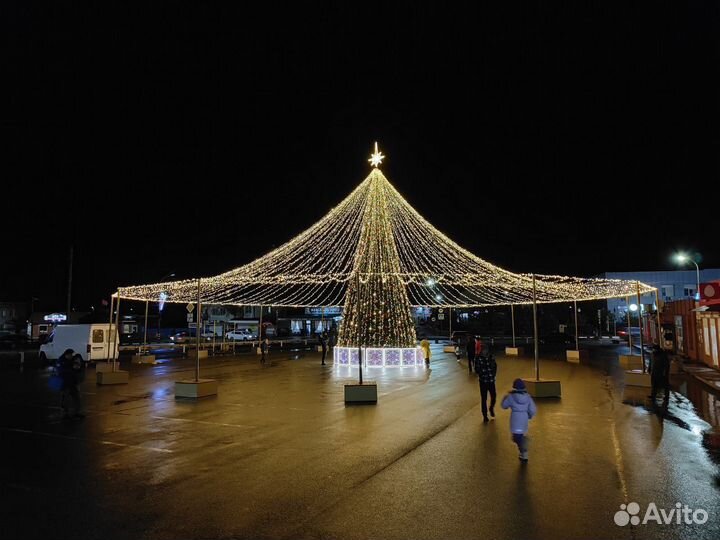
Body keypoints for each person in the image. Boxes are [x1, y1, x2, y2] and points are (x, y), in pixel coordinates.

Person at [501, 378, 537, 462]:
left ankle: (524, 451)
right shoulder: (528, 397)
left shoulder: (511, 397)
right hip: (524, 418)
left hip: (515, 418)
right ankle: (523, 450)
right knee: (518, 436)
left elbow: (504, 406)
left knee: (516, 437)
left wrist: (504, 398)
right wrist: (530, 415)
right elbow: (533, 409)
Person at [58, 348, 85, 419]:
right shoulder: (62, 361)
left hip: (73, 382)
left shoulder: (71, 360)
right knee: (66, 399)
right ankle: (65, 413)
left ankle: (77, 412)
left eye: (71, 355)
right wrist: (72, 369)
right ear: (67, 355)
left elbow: (79, 368)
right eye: (70, 355)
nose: (71, 357)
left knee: (77, 398)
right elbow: (61, 371)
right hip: (65, 383)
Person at [475, 348, 497, 422]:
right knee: (484, 399)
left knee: (493, 396)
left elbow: (495, 366)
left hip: (491, 381)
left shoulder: (491, 357)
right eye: (484, 351)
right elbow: (477, 370)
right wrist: (482, 373)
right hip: (483, 382)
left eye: (486, 351)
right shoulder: (478, 359)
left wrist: (493, 374)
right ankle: (485, 415)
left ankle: (491, 408)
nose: (485, 352)